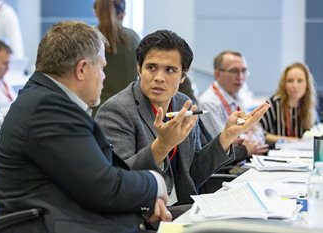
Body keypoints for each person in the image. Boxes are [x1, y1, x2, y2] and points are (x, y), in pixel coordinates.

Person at [0, 21, 173, 233]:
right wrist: (155, 183)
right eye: (102, 68)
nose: (104, 77)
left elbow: (91, 182)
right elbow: (104, 188)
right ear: (82, 69)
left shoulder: (45, 101)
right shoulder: (48, 108)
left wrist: (144, 202)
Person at [95, 30, 270, 206]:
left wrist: (227, 137)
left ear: (183, 77)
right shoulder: (117, 110)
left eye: (170, 70)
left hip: (184, 206)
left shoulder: (183, 104)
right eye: (151, 67)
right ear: (139, 69)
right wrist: (162, 146)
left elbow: (193, 172)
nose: (159, 78)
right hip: (144, 212)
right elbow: (121, 179)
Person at [198, 50, 269, 161]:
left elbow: (258, 132)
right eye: (234, 71)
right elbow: (224, 144)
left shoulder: (239, 95)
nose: (240, 77)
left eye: (244, 71)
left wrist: (248, 139)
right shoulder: (209, 103)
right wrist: (248, 140)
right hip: (227, 168)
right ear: (217, 74)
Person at [92, 0, 141, 116]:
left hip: (96, 114)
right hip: (128, 113)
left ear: (96, 12)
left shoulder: (88, 39)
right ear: (122, 13)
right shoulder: (135, 39)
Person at [260, 62, 317, 144]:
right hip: (276, 154)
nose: (294, 85)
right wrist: (288, 140)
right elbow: (259, 134)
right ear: (284, 84)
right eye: (290, 81)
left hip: (302, 153)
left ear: (307, 84)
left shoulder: (309, 106)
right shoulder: (272, 104)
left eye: (300, 81)